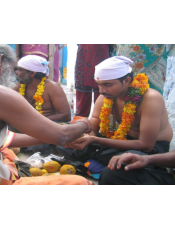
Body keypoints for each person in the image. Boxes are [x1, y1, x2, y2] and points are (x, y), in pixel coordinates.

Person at [0, 44, 93, 185]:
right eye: (13, 68)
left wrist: (46, 137)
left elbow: (1, 138)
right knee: (81, 182)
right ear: (1, 62)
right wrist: (86, 123)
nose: (14, 74)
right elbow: (63, 136)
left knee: (8, 154)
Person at [64, 56, 173, 185]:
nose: (101, 90)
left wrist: (94, 140)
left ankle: (91, 164)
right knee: (65, 142)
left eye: (107, 84)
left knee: (121, 164)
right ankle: (94, 164)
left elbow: (146, 145)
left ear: (127, 80)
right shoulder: (106, 96)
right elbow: (92, 128)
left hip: (150, 149)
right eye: (99, 84)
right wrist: (85, 139)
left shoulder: (151, 98)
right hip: (121, 141)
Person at [14, 55, 71, 122]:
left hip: (49, 126)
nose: (16, 73)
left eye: (20, 70)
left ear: (32, 73)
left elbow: (66, 115)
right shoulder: (17, 87)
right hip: (24, 126)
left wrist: (37, 122)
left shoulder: (52, 87)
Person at [74, 44, 110, 117]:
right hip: (85, 51)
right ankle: (81, 117)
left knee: (101, 84)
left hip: (100, 51)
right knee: (83, 84)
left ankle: (101, 118)